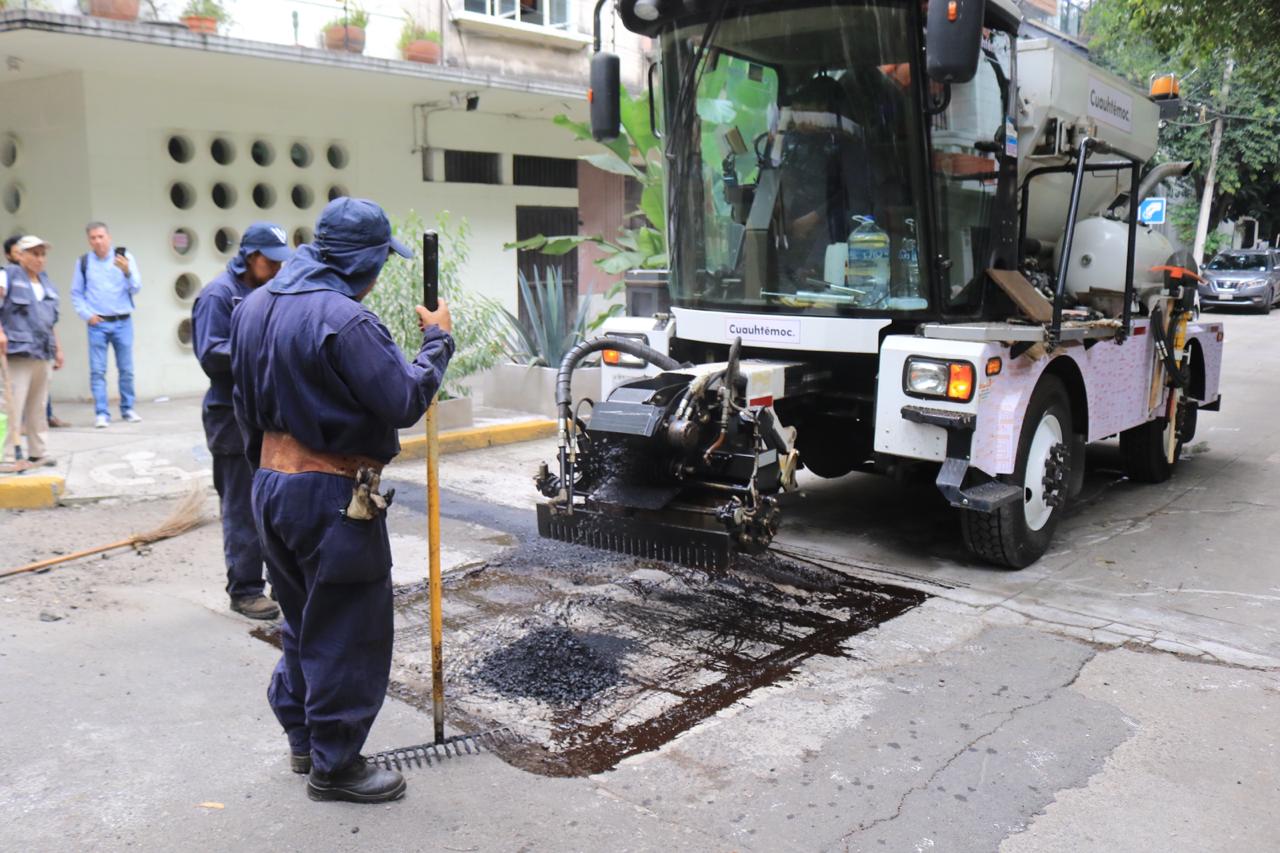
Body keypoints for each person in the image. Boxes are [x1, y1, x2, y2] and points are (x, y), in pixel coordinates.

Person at [230, 198, 453, 804]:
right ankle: (336, 765)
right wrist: (438, 341)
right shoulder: (347, 321)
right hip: (329, 495)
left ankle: (304, 739)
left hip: (271, 487)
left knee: (304, 622)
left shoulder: (253, 306)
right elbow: (403, 399)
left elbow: (243, 405)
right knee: (348, 629)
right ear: (367, 261)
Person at [192, 224, 292, 621]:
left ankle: (278, 582)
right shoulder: (219, 295)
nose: (278, 267)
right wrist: (262, 345)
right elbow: (211, 354)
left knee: (272, 503)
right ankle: (245, 590)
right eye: (271, 259)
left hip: (265, 413)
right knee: (241, 507)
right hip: (230, 416)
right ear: (251, 256)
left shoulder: (271, 290)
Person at [69, 221, 141, 429]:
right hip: (97, 324)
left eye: (101, 236)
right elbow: (76, 292)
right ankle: (102, 413)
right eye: (93, 238)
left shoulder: (124, 257)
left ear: (109, 237)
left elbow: (136, 287)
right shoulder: (83, 262)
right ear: (89, 241)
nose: (98, 241)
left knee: (126, 369)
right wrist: (87, 315)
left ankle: (128, 409)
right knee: (98, 371)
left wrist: (127, 272)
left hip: (122, 322)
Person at [0, 236, 65, 465]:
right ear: (22, 255)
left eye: (42, 254)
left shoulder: (47, 283)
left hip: (43, 352)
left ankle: (39, 451)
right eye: (34, 254)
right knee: (11, 406)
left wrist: (58, 349)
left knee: (38, 406)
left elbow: (50, 322)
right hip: (18, 352)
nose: (39, 259)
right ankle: (6, 456)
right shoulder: (7, 275)